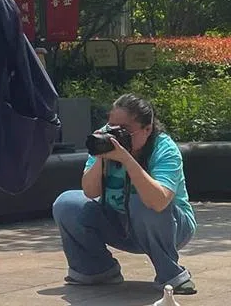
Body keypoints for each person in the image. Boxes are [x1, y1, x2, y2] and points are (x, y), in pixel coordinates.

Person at [52, 94, 196, 295]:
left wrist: (127, 160)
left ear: (147, 129)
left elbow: (159, 201)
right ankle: (97, 270)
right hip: (120, 221)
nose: (115, 135)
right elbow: (90, 191)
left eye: (124, 130)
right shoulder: (103, 138)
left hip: (170, 226)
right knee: (66, 203)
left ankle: (171, 275)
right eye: (112, 127)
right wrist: (101, 157)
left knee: (142, 200)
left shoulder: (164, 148)